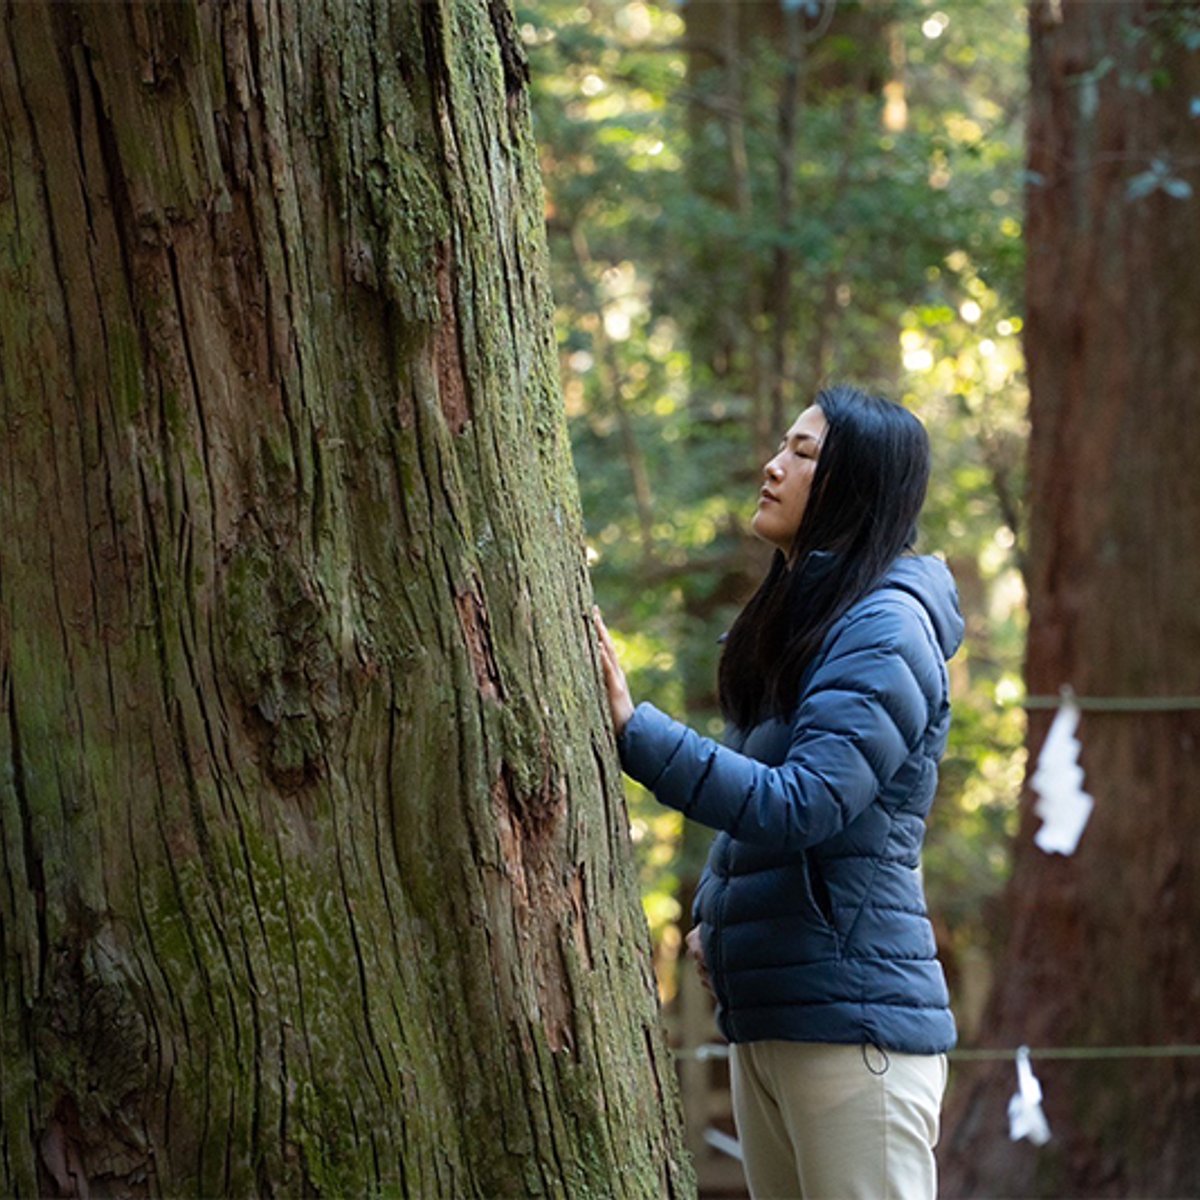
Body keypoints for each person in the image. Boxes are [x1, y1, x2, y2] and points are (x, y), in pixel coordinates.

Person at [593, 384, 963, 1200]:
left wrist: (634, 731)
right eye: (781, 446)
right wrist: (722, 924)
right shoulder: (815, 619)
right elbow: (779, 801)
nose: (772, 467)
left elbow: (803, 804)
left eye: (802, 454)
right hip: (778, 1020)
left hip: (852, 1035)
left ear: (856, 486)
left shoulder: (886, 628)